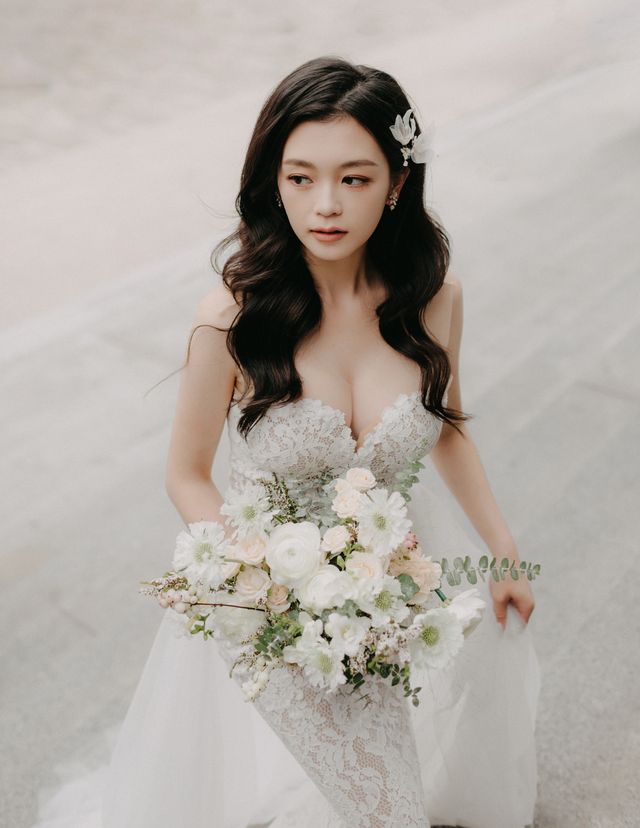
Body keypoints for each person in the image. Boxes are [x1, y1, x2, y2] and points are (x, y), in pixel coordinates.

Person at [34, 56, 540, 828]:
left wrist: (502, 554)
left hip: (384, 603)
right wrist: (265, 585)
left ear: (398, 182)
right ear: (272, 179)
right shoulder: (233, 318)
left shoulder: (434, 300)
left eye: (356, 178)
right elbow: (187, 474)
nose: (325, 205)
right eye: (300, 177)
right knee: (388, 811)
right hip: (263, 613)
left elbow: (449, 434)